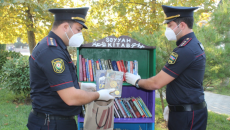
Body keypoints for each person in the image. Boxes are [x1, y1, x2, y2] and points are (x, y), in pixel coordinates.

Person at [27, 7, 115, 130]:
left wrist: (82, 85)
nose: (80, 34)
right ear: (65, 27)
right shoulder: (52, 52)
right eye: (78, 29)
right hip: (51, 123)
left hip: (56, 120)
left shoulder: (57, 47)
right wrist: (98, 95)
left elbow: (59, 82)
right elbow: (71, 98)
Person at [125, 5, 207, 130]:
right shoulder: (192, 45)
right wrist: (174, 106)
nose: (167, 29)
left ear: (182, 26)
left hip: (187, 115)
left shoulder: (186, 50)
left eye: (170, 25)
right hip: (186, 111)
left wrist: (136, 81)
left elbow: (156, 83)